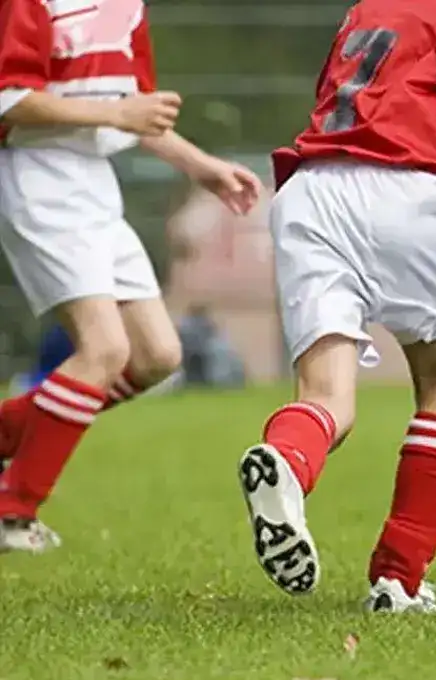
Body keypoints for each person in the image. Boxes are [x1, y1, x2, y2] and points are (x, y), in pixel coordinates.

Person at [237, 0, 436, 613]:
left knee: (325, 396)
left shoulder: (368, 9)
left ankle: (287, 461)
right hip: (402, 190)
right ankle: (400, 579)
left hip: (309, 192)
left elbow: (370, 126)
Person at [0, 0, 261, 553]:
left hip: (95, 183)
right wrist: (114, 115)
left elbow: (138, 114)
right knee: (103, 350)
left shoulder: (127, 7)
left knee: (156, 355)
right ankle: (11, 510)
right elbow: (11, 100)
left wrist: (203, 167)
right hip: (37, 177)